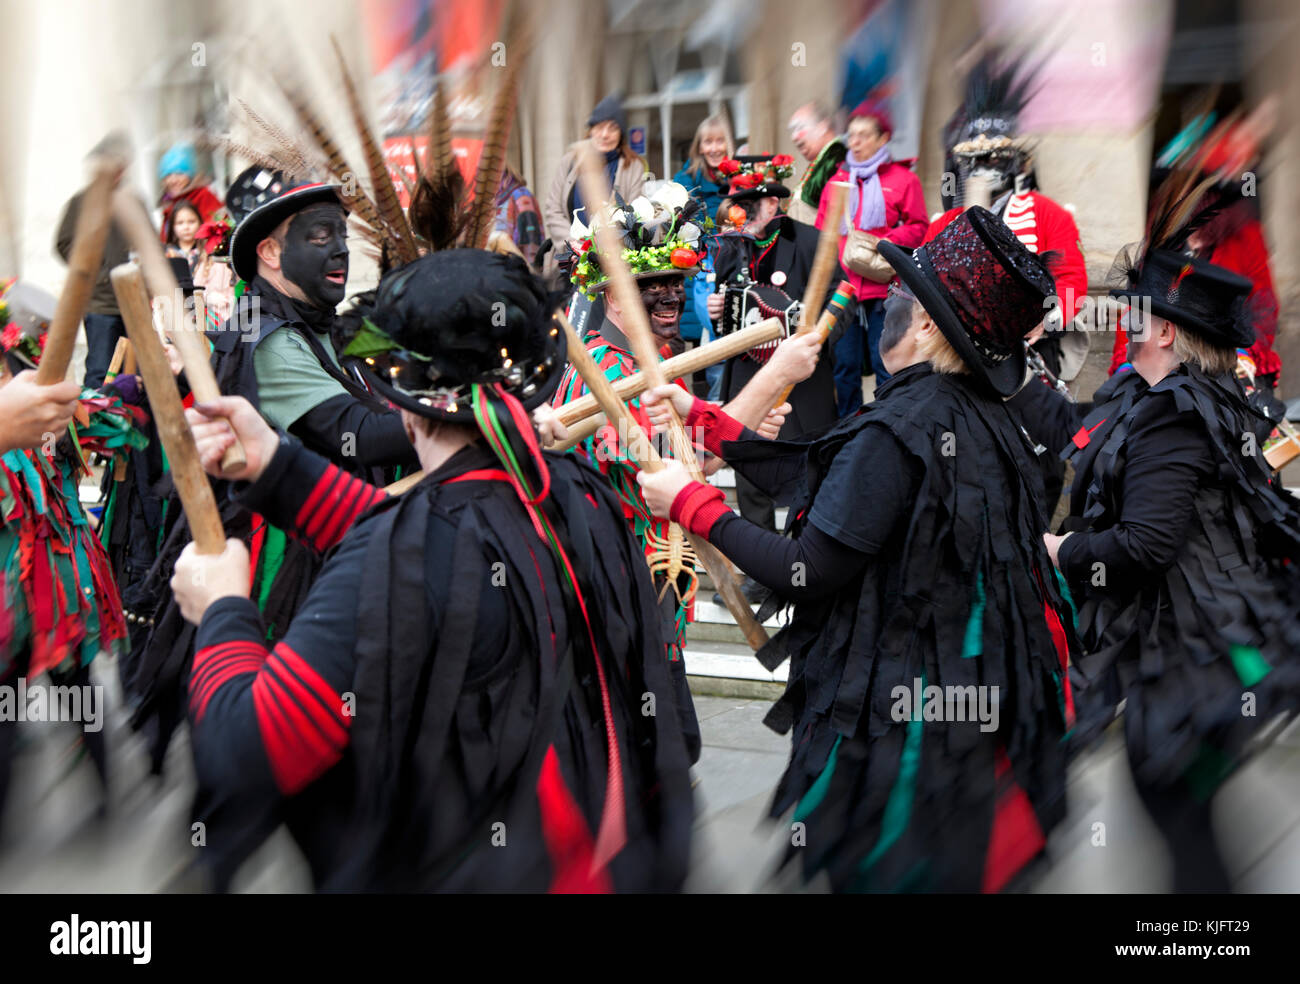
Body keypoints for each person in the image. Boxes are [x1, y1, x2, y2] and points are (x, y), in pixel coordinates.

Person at [169, 249, 695, 892]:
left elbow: (246, 756)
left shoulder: (411, 554)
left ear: (403, 402)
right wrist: (275, 466)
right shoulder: (575, 496)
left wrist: (222, 609)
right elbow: (442, 546)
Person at [635, 207, 1079, 892]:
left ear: (927, 326)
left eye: (903, 298)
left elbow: (807, 566)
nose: (890, 308)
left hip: (903, 745)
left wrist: (691, 505)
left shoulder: (906, 421)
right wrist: (709, 423)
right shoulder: (975, 413)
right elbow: (835, 480)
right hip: (965, 732)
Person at [1019, 243, 1300, 893]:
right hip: (1184, 651)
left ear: (1165, 330)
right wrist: (1014, 367)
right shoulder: (1150, 395)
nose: (1125, 324)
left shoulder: (1176, 418)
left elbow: (1145, 545)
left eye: (1134, 316)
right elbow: (1078, 430)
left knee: (1174, 799)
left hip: (1199, 656)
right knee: (1181, 807)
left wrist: (1062, 550)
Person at [553, 182, 822, 761]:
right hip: (621, 599)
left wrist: (735, 442)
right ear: (614, 298)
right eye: (652, 286)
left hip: (657, 604)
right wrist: (772, 377)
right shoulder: (608, 371)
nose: (672, 294)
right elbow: (673, 472)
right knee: (656, 755)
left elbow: (685, 466)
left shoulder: (654, 367)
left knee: (672, 752)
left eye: (676, 280)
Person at [0, 281, 144, 822]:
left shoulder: (58, 412)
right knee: (15, 704)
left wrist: (114, 396)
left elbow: (115, 426)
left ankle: (106, 797)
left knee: (70, 692)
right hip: (15, 593)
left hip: (56, 588)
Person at [926, 49, 1089, 514]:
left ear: (1016, 160)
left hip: (1032, 354)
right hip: (963, 359)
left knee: (1041, 459)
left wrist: (1046, 320)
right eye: (977, 158)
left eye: (996, 156)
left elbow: (1072, 278)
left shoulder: (1049, 215)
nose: (986, 166)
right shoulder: (946, 222)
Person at [706, 155, 840, 596]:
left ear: (770, 203)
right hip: (748, 372)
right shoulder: (731, 245)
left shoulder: (812, 241)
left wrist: (812, 335)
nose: (738, 212)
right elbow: (727, 314)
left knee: (811, 471)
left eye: (746, 203)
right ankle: (761, 573)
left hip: (804, 380)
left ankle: (807, 569)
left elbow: (845, 301)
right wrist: (718, 313)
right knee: (750, 472)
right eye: (735, 203)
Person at [820, 100, 927, 415]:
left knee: (888, 364)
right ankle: (850, 433)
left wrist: (884, 243)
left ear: (883, 139)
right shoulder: (835, 183)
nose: (855, 142)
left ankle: (887, 426)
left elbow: (920, 226)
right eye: (851, 135)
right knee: (844, 367)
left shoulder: (904, 179)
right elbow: (823, 233)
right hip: (845, 289)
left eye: (864, 135)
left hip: (887, 286)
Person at [542, 95, 647, 287]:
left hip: (610, 266)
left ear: (621, 133)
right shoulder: (570, 161)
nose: (605, 134)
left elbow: (634, 215)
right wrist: (573, 246)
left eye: (612, 128)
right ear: (591, 129)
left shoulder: (633, 167)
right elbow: (553, 208)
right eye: (599, 126)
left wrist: (598, 250)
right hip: (568, 263)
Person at [54, 157, 131, 390]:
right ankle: (96, 421)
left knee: (133, 371)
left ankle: (130, 422)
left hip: (132, 300)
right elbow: (64, 243)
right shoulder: (81, 202)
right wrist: (96, 269)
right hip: (99, 302)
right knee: (100, 368)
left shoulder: (128, 201)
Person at [673, 115, 735, 355]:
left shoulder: (738, 179)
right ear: (699, 146)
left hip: (731, 271)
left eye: (720, 141)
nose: (714, 148)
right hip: (699, 276)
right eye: (708, 142)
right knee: (701, 349)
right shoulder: (685, 181)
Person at [787, 102, 848, 226]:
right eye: (792, 131)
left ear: (822, 127)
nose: (794, 137)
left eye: (799, 128)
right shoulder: (823, 159)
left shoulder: (836, 157)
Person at [156, 142, 226, 244]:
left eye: (179, 174)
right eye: (168, 175)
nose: (174, 180)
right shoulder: (168, 203)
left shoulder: (204, 195)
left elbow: (218, 230)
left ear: (190, 176)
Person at [493, 166, 544, 265]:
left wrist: (529, 271)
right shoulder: (498, 198)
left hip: (517, 270)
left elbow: (531, 241)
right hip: (501, 267)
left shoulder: (521, 195)